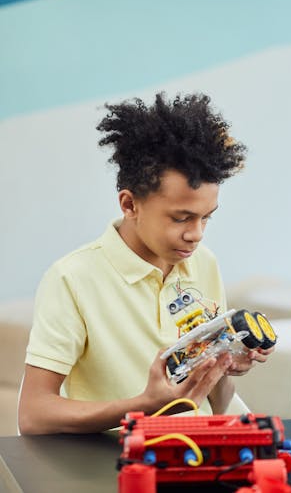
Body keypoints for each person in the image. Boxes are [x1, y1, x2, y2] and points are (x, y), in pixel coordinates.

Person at [18, 93, 273, 435]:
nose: (195, 235)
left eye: (206, 218)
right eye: (181, 218)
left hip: (200, 452)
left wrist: (225, 364)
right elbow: (34, 414)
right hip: (119, 468)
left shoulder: (203, 264)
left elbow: (215, 402)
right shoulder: (72, 279)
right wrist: (143, 407)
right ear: (129, 204)